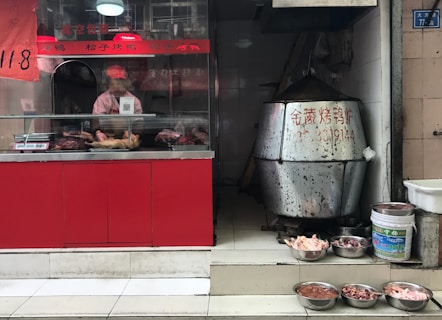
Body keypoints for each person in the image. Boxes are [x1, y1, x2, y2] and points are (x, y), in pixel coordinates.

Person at [91, 64, 143, 140]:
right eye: (113, 84)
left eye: (120, 84)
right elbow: (96, 118)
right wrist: (98, 133)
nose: (117, 88)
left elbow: (138, 120)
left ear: (126, 84)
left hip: (128, 137)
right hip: (107, 138)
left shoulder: (134, 100)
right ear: (108, 84)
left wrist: (136, 136)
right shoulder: (102, 99)